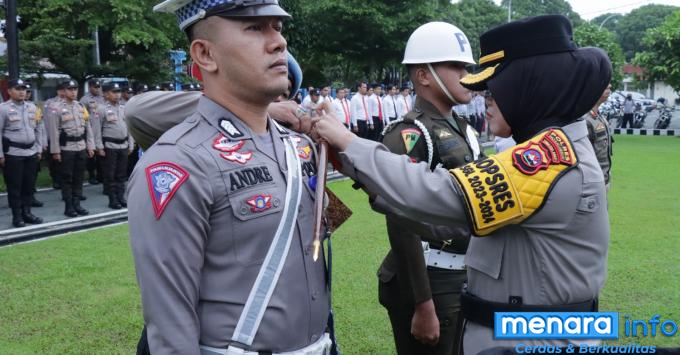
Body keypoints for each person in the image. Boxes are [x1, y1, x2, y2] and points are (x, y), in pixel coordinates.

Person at [312, 15, 611, 355]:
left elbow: (442, 195)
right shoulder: (551, 152)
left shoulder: (548, 160)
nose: (485, 94)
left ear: (532, 85)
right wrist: (358, 169)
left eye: (497, 84)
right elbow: (443, 219)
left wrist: (348, 142)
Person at [128, 1, 333, 354]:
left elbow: (314, 233)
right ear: (205, 54)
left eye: (278, 28)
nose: (278, 42)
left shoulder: (298, 148)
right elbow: (171, 327)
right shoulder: (180, 161)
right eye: (254, 28)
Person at [375, 21, 480, 355]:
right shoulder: (411, 133)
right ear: (423, 75)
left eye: (467, 66)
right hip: (428, 280)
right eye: (455, 66)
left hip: (462, 273)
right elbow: (401, 221)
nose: (466, 74)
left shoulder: (461, 126)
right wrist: (423, 303)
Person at [47, 80, 95, 217]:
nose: (73, 92)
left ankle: (77, 203)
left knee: (79, 177)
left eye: (75, 89)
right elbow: (54, 131)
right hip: (66, 147)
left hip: (80, 146)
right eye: (70, 89)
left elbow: (88, 128)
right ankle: (69, 206)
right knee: (67, 178)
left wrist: (90, 146)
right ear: (63, 91)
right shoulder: (55, 108)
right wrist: (55, 151)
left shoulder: (80, 106)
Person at [0, 79, 44, 227]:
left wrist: (39, 148)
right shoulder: (3, 109)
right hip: (13, 153)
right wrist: (0, 154)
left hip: (31, 152)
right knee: (15, 187)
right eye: (17, 89)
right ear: (9, 91)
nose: (21, 92)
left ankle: (27, 213)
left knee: (29, 186)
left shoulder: (32, 107)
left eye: (23, 89)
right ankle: (17, 216)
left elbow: (39, 129)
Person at [91, 82, 134, 209]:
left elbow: (129, 127)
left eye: (118, 92)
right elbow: (96, 130)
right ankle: (113, 199)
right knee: (110, 175)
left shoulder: (123, 108)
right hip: (109, 146)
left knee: (121, 174)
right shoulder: (100, 109)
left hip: (123, 145)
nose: (117, 95)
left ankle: (121, 197)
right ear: (105, 94)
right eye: (113, 92)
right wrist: (99, 147)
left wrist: (131, 144)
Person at [585, 83, 613, 190]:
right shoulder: (585, 119)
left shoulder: (598, 117)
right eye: (604, 84)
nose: (609, 86)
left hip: (603, 179)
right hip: (591, 183)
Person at [81, 79, 105, 185]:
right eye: (95, 87)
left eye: (99, 87)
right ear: (90, 87)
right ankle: (91, 175)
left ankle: (101, 175)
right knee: (91, 155)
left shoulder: (103, 98)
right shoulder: (85, 99)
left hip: (103, 129)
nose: (98, 89)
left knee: (102, 153)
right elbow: (83, 116)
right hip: (91, 129)